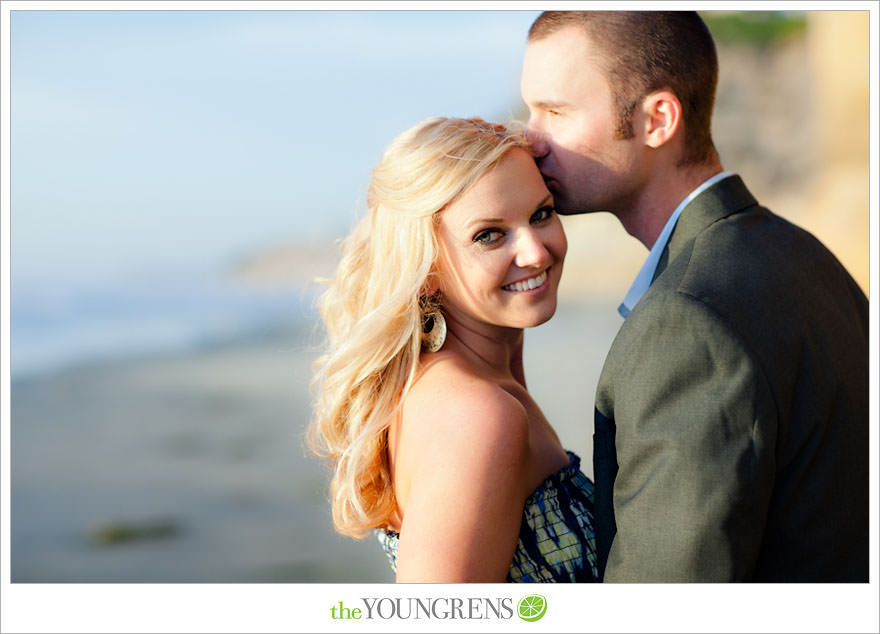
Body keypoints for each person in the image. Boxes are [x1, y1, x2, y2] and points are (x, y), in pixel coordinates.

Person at [520, 10, 868, 582]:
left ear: (657, 119)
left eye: (555, 112)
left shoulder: (686, 323)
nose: (530, 139)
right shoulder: (807, 256)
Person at [308, 116, 599, 582]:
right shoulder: (476, 416)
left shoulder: (464, 385)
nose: (536, 252)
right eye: (489, 234)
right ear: (425, 268)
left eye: (541, 214)